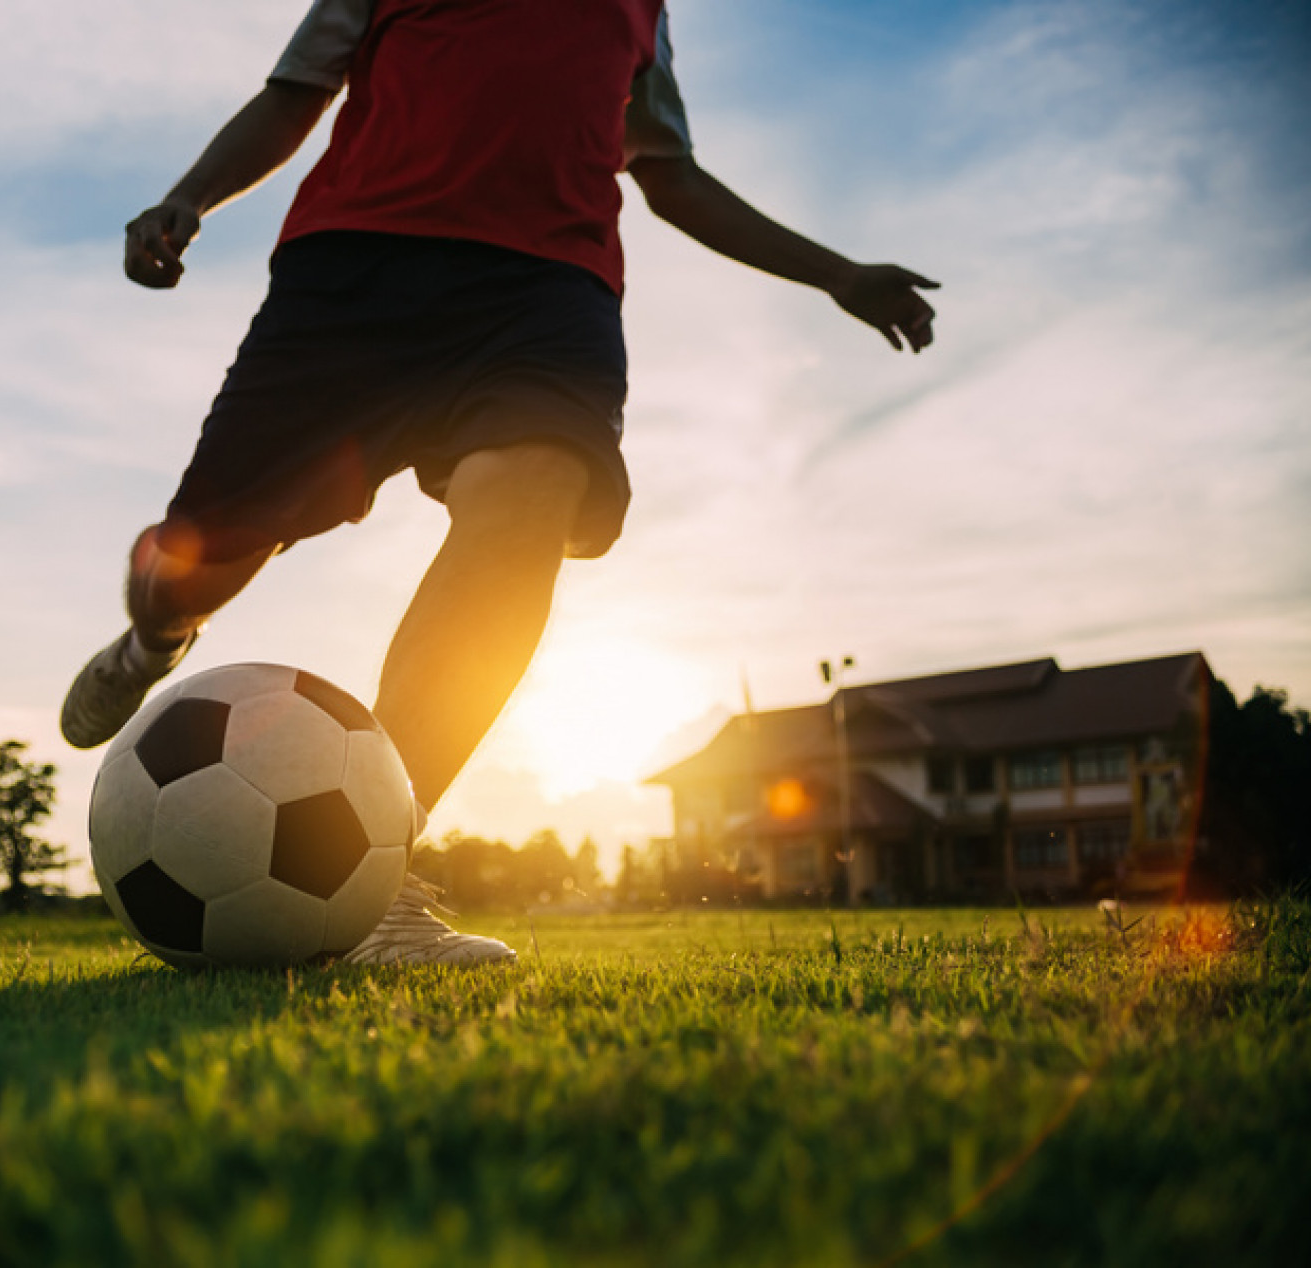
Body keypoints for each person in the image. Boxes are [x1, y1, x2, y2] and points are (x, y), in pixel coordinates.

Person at [62, 0, 938, 965]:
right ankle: (153, 637)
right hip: (356, 275)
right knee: (195, 561)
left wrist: (836, 274)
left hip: (545, 298)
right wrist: (189, 196)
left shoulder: (639, 12)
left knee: (525, 516)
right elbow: (291, 97)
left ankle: (374, 884)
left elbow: (670, 175)